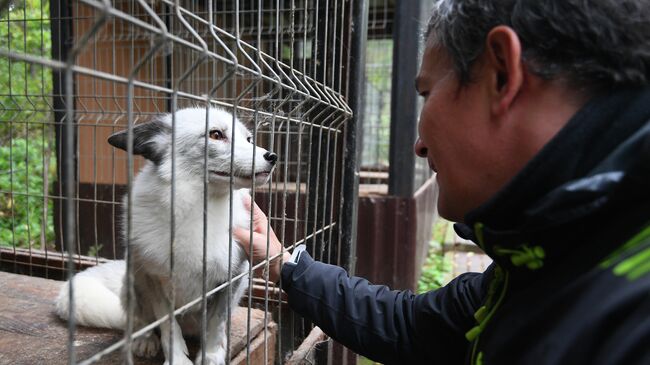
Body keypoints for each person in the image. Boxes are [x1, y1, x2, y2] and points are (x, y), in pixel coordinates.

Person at [233, 1, 650, 364]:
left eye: (426, 93)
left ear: (502, 74)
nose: (417, 145)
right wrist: (284, 264)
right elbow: (414, 327)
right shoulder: (549, 251)